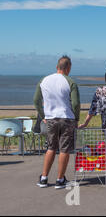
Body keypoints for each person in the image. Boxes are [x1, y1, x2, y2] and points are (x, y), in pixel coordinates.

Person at [34, 56, 80, 189]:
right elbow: (76, 103)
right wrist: (76, 118)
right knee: (64, 149)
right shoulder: (70, 82)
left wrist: (43, 115)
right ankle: (60, 179)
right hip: (67, 118)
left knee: (51, 147)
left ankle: (44, 178)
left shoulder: (44, 80)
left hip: (51, 119)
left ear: (57, 67)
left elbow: (36, 100)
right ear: (68, 67)